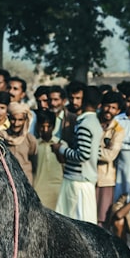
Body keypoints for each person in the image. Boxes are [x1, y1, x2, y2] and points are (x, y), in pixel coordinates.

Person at [54, 86, 101, 223]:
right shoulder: (94, 122)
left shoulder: (85, 124)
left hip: (77, 180)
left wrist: (61, 149)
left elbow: (83, 155)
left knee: (73, 222)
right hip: (85, 178)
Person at [95, 91, 125, 225]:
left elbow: (110, 156)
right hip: (88, 177)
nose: (109, 110)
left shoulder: (118, 130)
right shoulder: (92, 122)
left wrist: (89, 151)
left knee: (102, 220)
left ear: (118, 111)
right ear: (101, 106)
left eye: (113, 108)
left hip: (106, 180)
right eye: (107, 106)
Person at [31, 109, 63, 210]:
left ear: (53, 127)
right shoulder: (34, 144)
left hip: (59, 190)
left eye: (48, 126)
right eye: (42, 126)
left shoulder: (61, 145)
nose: (45, 130)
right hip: (39, 189)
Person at [1, 101, 38, 184]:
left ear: (25, 120)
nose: (16, 123)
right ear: (9, 119)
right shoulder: (2, 137)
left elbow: (35, 164)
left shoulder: (30, 139)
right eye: (13, 119)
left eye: (20, 120)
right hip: (6, 180)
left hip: (25, 180)